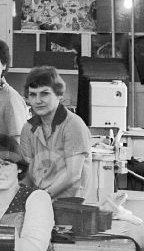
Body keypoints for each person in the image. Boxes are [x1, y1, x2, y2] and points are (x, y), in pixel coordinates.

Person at [18, 65, 93, 201]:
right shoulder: (27, 128)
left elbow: (73, 175)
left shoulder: (73, 125)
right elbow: (28, 174)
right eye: (33, 95)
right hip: (41, 201)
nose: (38, 100)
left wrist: (43, 197)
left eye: (45, 94)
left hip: (70, 205)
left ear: (59, 95)